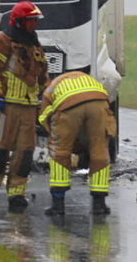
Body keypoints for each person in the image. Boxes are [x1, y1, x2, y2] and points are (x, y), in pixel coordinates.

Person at [0, 1, 49, 210]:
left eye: (35, 21)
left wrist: (44, 95)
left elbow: (43, 73)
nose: (33, 25)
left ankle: (16, 194)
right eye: (30, 21)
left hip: (29, 108)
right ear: (19, 21)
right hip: (7, 107)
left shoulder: (35, 45)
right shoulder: (3, 40)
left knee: (24, 154)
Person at [38, 71, 117, 216]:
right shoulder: (86, 78)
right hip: (99, 103)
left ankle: (58, 205)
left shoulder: (49, 90)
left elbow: (45, 117)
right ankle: (99, 204)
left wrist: (53, 132)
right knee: (99, 150)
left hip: (68, 106)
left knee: (60, 152)